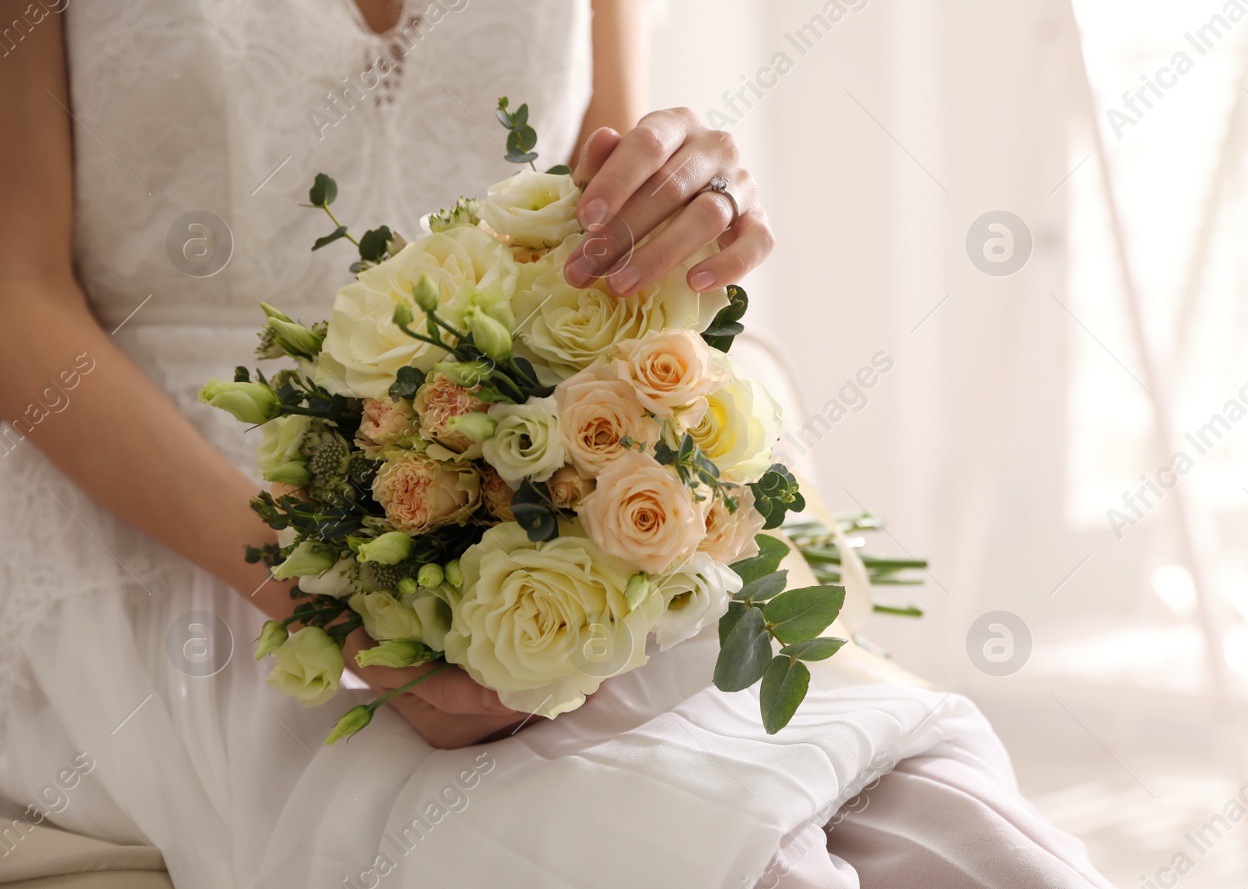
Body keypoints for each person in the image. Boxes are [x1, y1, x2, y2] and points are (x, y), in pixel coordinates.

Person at [0, 1, 1115, 886]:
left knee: (957, 835)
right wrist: (325, 596)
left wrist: (692, 196)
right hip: (158, 511)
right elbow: (15, 288)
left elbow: (602, 205)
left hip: (525, 463)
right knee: (694, 845)